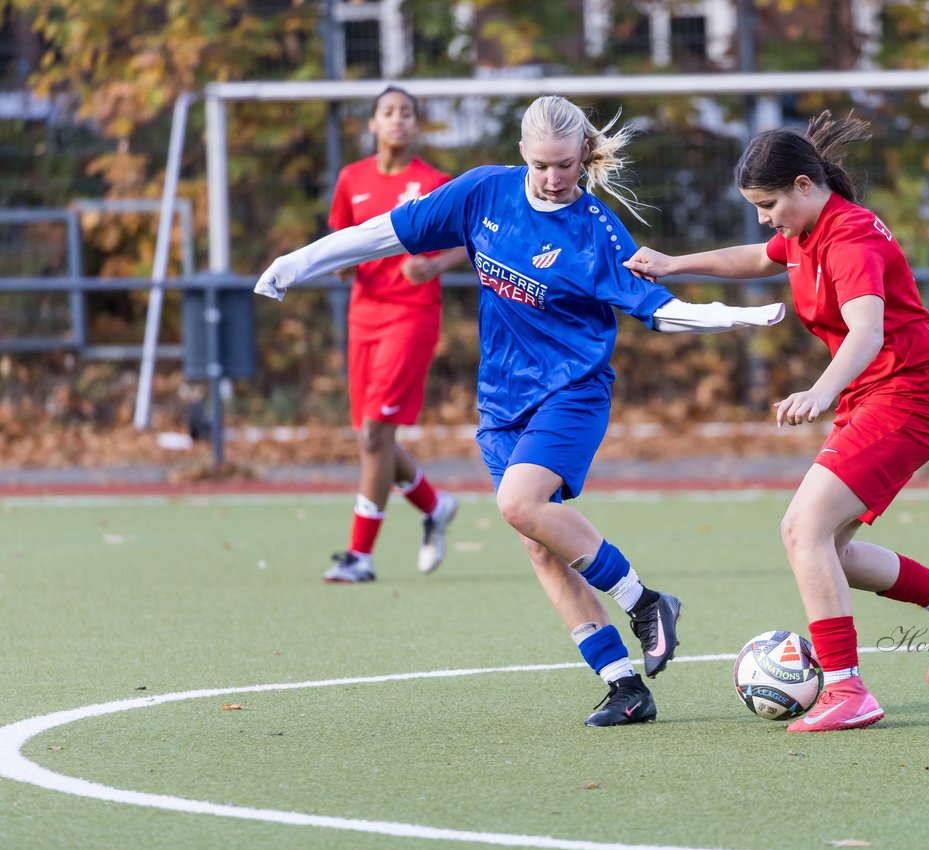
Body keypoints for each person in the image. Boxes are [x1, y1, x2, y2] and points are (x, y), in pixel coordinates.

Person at [255, 95, 784, 726]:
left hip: (573, 391)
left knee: (519, 505)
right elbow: (385, 233)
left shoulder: (596, 229)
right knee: (539, 544)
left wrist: (735, 317)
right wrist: (299, 261)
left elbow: (657, 308)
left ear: (584, 156)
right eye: (541, 166)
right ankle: (623, 686)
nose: (555, 178)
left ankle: (645, 603)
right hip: (502, 401)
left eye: (566, 165)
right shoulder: (483, 193)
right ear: (522, 157)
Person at [625, 112, 929, 733]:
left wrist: (822, 391)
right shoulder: (805, 228)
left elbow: (868, 332)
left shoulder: (848, 238)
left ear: (802, 185)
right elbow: (756, 257)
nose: (765, 219)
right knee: (828, 551)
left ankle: (848, 690)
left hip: (907, 397)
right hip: (877, 397)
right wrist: (673, 263)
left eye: (768, 204)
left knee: (802, 532)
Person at [321, 86, 471, 584]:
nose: (397, 120)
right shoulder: (352, 179)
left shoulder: (433, 182)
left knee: (374, 435)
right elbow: (341, 241)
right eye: (388, 112)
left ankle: (359, 556)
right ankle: (435, 505)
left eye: (406, 112)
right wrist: (341, 265)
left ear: (415, 123)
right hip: (363, 315)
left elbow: (468, 242)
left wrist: (434, 265)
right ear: (373, 123)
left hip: (411, 316)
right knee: (372, 434)